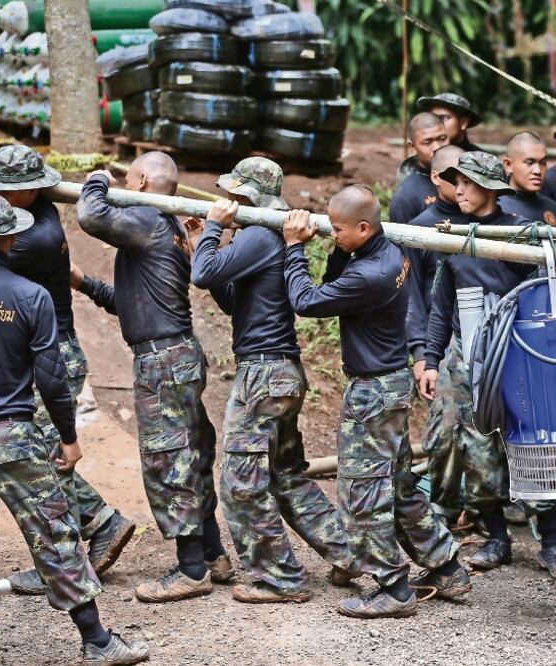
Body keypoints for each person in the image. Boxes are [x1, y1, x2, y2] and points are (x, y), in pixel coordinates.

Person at [283, 185, 470, 618]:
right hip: (390, 387)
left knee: (362, 492)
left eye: (339, 229)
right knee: (401, 484)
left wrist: (294, 249)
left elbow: (306, 301)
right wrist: (335, 247)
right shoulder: (387, 253)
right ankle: (446, 567)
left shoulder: (370, 274)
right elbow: (335, 283)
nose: (333, 234)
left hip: (372, 392)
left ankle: (392, 587)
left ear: (364, 227)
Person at [187, 158, 358, 603]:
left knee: (240, 484)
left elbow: (203, 273)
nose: (228, 200)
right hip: (280, 371)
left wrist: (210, 228)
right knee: (287, 476)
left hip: (263, 374)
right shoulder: (260, 237)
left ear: (250, 197)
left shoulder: (262, 234)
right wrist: (202, 239)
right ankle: (350, 552)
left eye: (235, 194)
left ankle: (280, 577)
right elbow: (227, 298)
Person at [0, 194, 149, 664]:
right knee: (56, 536)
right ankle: (97, 642)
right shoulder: (31, 297)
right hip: (12, 437)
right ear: (12, 238)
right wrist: (69, 438)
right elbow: (52, 379)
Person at [419, 152, 556, 582]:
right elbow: (442, 307)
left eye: (466, 184)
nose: (458, 192)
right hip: (468, 362)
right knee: (476, 451)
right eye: (455, 183)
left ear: (488, 188)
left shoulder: (521, 235)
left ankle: (551, 544)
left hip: (520, 362)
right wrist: (431, 360)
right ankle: (496, 537)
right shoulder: (454, 239)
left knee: (534, 449)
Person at [74, 153, 228, 603]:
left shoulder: (147, 215)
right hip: (176, 352)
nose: (122, 182)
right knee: (192, 455)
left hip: (163, 361)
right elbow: (133, 303)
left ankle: (191, 569)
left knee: (168, 460)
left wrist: (97, 180)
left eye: (126, 177)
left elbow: (90, 213)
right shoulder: (173, 228)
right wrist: (82, 282)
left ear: (141, 182)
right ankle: (214, 554)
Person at [406, 145, 467, 527]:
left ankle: (478, 505)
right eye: (454, 178)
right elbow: (412, 297)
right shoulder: (420, 227)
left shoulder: (488, 227)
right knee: (443, 431)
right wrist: (421, 355)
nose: (462, 187)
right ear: (436, 179)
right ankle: (443, 505)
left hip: (484, 344)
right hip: (438, 343)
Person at [390, 112, 450, 223]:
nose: (437, 147)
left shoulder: (465, 177)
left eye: (442, 138)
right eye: (428, 142)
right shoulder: (405, 196)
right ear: (412, 146)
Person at [500, 131, 556, 226]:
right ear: (508, 165)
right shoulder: (496, 207)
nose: (538, 171)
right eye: (529, 162)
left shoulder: (553, 208)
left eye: (543, 163)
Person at [416, 92, 482, 151]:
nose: (436, 124)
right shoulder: (426, 158)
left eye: (444, 118)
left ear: (463, 123)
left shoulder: (480, 161)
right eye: (433, 118)